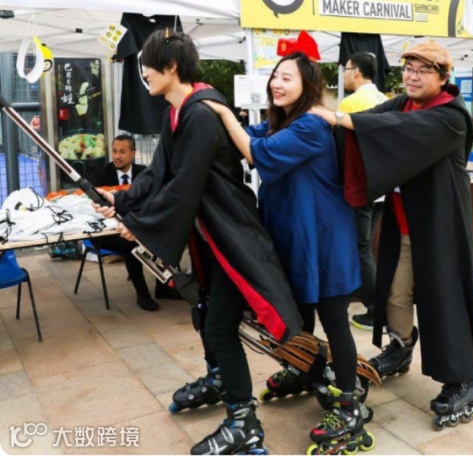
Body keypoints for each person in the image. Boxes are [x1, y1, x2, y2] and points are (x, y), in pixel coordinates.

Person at [92, 29, 303, 455]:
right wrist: (121, 199)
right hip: (209, 235)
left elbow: (185, 186)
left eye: (148, 67)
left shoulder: (201, 114)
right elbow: (159, 172)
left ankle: (243, 422)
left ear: (171, 67)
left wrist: (143, 226)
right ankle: (222, 381)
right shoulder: (177, 113)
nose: (144, 75)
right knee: (204, 314)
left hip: (231, 234)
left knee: (220, 327)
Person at [310, 41, 473, 430]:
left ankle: (464, 381)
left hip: (440, 228)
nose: (413, 76)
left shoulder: (450, 115)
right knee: (393, 295)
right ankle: (401, 346)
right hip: (404, 223)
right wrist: (328, 123)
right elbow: (372, 121)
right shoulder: (403, 104)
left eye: (424, 70)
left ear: (443, 77)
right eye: (409, 68)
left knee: (443, 302)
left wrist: (342, 119)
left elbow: (398, 129)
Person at [204, 51, 369, 450]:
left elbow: (256, 152)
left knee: (334, 319)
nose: (277, 84)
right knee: (298, 314)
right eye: (275, 76)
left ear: (307, 84)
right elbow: (249, 137)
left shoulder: (312, 123)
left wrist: (223, 112)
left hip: (324, 239)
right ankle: (306, 368)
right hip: (293, 237)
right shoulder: (283, 121)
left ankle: (349, 406)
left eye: (287, 78)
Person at [337, 51, 388, 332]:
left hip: (361, 185)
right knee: (365, 247)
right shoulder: (384, 98)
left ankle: (377, 310)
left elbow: (341, 148)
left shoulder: (351, 103)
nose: (344, 75)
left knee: (360, 249)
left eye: (346, 70)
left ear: (356, 72)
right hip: (383, 185)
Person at [85, 134, 157, 311]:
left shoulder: (144, 173)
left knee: (164, 235)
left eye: (122, 152)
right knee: (131, 242)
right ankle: (143, 294)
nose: (117, 156)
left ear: (133, 153)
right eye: (114, 151)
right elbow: (92, 210)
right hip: (107, 232)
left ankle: (165, 287)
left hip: (138, 226)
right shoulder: (99, 175)